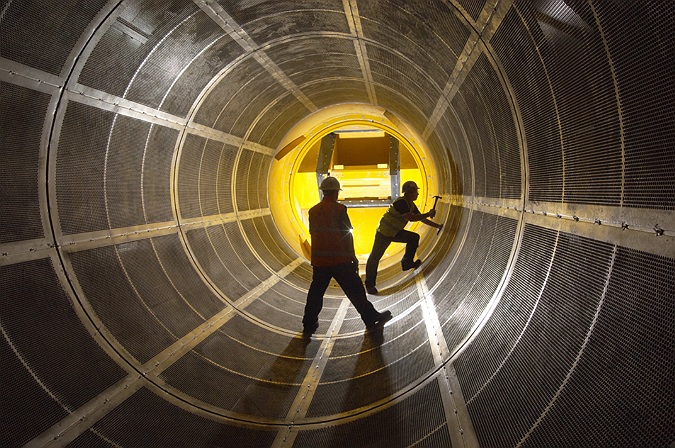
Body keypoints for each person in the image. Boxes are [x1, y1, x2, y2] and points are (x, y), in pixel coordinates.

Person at [303, 176, 393, 335]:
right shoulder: (339, 209)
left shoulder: (313, 211)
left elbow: (313, 233)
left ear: (323, 192)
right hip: (339, 260)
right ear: (336, 192)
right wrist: (353, 256)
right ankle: (370, 317)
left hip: (319, 261)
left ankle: (309, 323)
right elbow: (347, 234)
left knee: (316, 293)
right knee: (356, 291)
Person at [365, 181, 443, 295]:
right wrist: (428, 214)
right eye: (415, 192)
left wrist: (437, 226)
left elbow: (421, 218)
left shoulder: (410, 204)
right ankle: (369, 285)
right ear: (409, 193)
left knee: (413, 238)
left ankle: (407, 263)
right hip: (384, 234)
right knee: (375, 258)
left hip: (395, 232)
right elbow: (411, 217)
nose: (417, 194)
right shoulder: (402, 203)